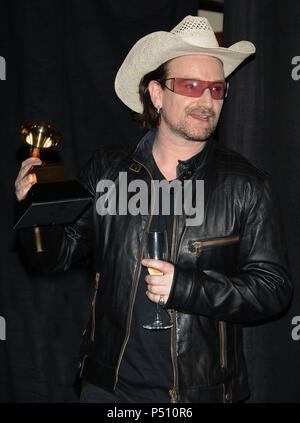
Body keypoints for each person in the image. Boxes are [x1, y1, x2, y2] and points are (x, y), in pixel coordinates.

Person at [15, 16, 292, 403]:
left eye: (216, 88)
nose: (206, 100)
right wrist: (35, 206)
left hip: (202, 394)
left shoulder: (245, 184)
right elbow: (55, 257)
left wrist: (186, 287)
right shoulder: (106, 169)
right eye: (191, 86)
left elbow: (273, 289)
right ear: (156, 94)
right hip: (108, 390)